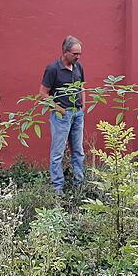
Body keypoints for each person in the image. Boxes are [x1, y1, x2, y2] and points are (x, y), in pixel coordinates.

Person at [40, 36, 86, 194]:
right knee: (57, 152)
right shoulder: (53, 69)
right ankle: (57, 189)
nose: (78, 56)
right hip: (61, 116)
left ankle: (79, 185)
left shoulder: (78, 67)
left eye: (79, 53)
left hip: (77, 114)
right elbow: (43, 94)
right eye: (75, 53)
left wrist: (82, 107)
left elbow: (82, 87)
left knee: (78, 151)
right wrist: (59, 109)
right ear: (65, 52)